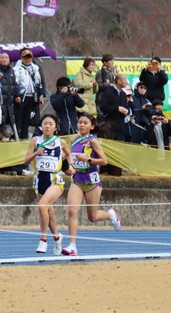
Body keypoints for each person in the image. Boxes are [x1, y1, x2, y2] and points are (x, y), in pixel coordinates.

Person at [64, 114, 121, 256]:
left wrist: (88, 159)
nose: (81, 125)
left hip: (92, 182)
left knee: (93, 217)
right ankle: (72, 245)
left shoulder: (93, 141)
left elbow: (104, 161)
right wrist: (68, 167)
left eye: (85, 123)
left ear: (92, 126)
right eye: (80, 122)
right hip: (77, 180)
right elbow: (71, 160)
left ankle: (110, 215)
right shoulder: (73, 140)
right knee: (72, 211)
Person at [22, 114, 73, 255]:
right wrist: (36, 154)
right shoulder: (35, 140)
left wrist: (70, 166)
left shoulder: (60, 142)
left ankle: (43, 240)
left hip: (55, 180)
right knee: (48, 211)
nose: (47, 126)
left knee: (42, 206)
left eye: (51, 124)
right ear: (41, 126)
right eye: (45, 123)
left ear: (56, 127)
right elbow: (25, 161)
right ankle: (57, 237)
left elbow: (69, 154)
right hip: (40, 180)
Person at [13, 48, 46, 139]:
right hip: (21, 97)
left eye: (29, 57)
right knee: (19, 119)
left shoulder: (36, 68)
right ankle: (17, 139)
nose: (27, 59)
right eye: (25, 57)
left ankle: (25, 138)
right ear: (21, 57)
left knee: (29, 120)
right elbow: (14, 83)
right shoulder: (16, 69)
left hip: (33, 98)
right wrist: (17, 95)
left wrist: (41, 94)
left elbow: (41, 82)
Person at [98, 74, 130, 141]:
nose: (126, 82)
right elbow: (103, 107)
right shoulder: (108, 91)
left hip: (120, 127)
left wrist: (127, 110)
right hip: (110, 126)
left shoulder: (123, 94)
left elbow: (126, 107)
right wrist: (117, 108)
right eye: (124, 80)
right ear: (119, 81)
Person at [0, 53, 17, 131]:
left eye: (6, 58)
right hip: (0, 102)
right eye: (2, 58)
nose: (4, 59)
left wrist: (17, 95)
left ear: (9, 60)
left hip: (10, 103)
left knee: (10, 125)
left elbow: (15, 84)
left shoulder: (12, 71)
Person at [95, 54, 118, 120]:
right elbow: (98, 85)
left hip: (112, 98)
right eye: (110, 61)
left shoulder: (114, 71)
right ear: (105, 62)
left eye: (113, 60)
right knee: (102, 119)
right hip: (102, 98)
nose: (112, 62)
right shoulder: (100, 72)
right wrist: (108, 85)